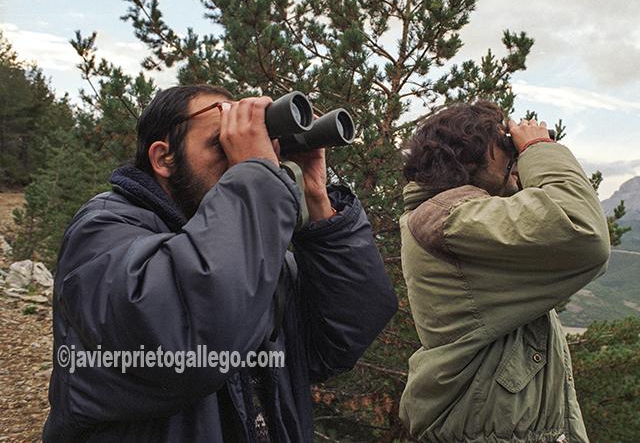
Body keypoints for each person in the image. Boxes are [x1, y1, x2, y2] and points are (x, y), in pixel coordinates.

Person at [44, 85, 397, 442]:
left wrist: (318, 202)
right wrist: (256, 176)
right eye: (221, 144)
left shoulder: (248, 253)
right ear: (164, 158)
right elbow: (184, 350)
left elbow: (339, 341)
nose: (237, 160)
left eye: (245, 145)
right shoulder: (103, 231)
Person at [398, 101, 610, 442]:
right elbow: (582, 230)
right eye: (502, 141)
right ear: (466, 155)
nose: (513, 147)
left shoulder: (460, 215)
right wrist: (538, 149)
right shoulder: (449, 221)